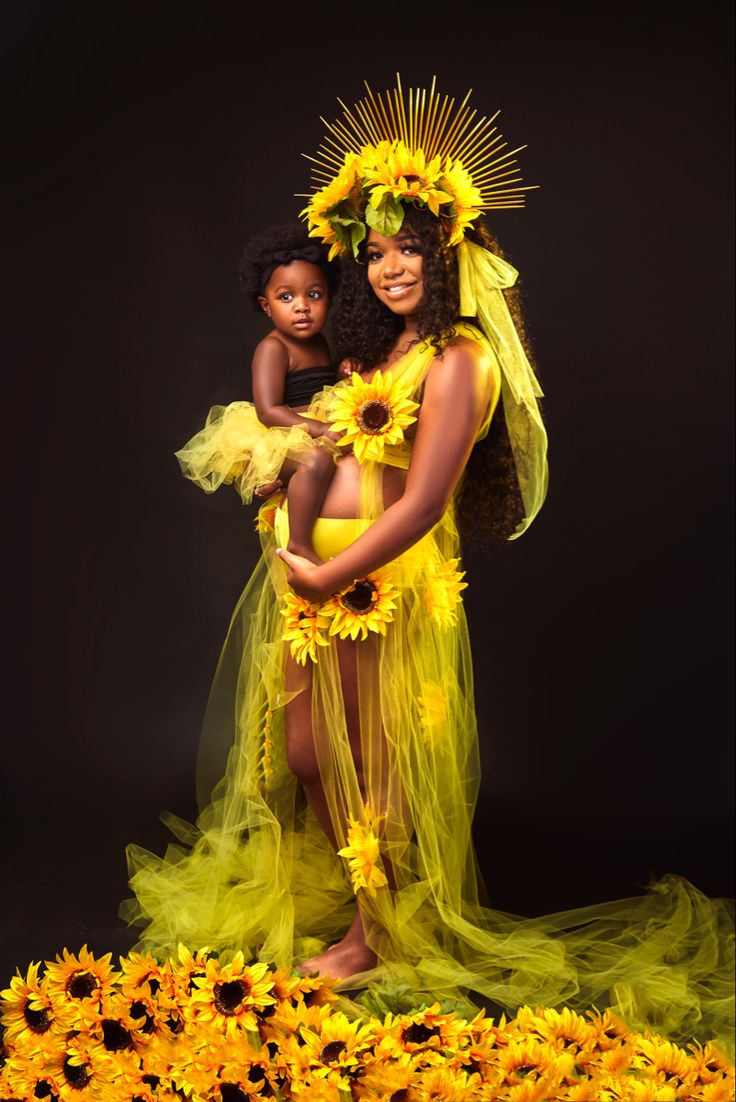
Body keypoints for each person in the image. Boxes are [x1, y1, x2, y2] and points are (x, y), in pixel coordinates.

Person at [123, 78, 733, 1056]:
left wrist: (332, 571)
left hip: (374, 578)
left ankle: (381, 930)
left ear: (447, 254)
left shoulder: (456, 361)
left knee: (374, 752)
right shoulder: (381, 344)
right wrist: (279, 492)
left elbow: (417, 501)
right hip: (310, 566)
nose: (390, 264)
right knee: (312, 746)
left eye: (409, 246)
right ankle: (371, 905)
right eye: (374, 250)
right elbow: (327, 441)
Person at [174, 222, 345, 562]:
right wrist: (320, 430)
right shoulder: (273, 348)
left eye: (314, 294)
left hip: (310, 426)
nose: (301, 306)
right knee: (315, 461)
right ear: (266, 306)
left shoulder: (320, 342)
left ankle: (281, 488)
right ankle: (299, 543)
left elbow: (319, 387)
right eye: (286, 297)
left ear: (328, 296)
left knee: (341, 461)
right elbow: (268, 410)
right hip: (281, 431)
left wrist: (342, 374)